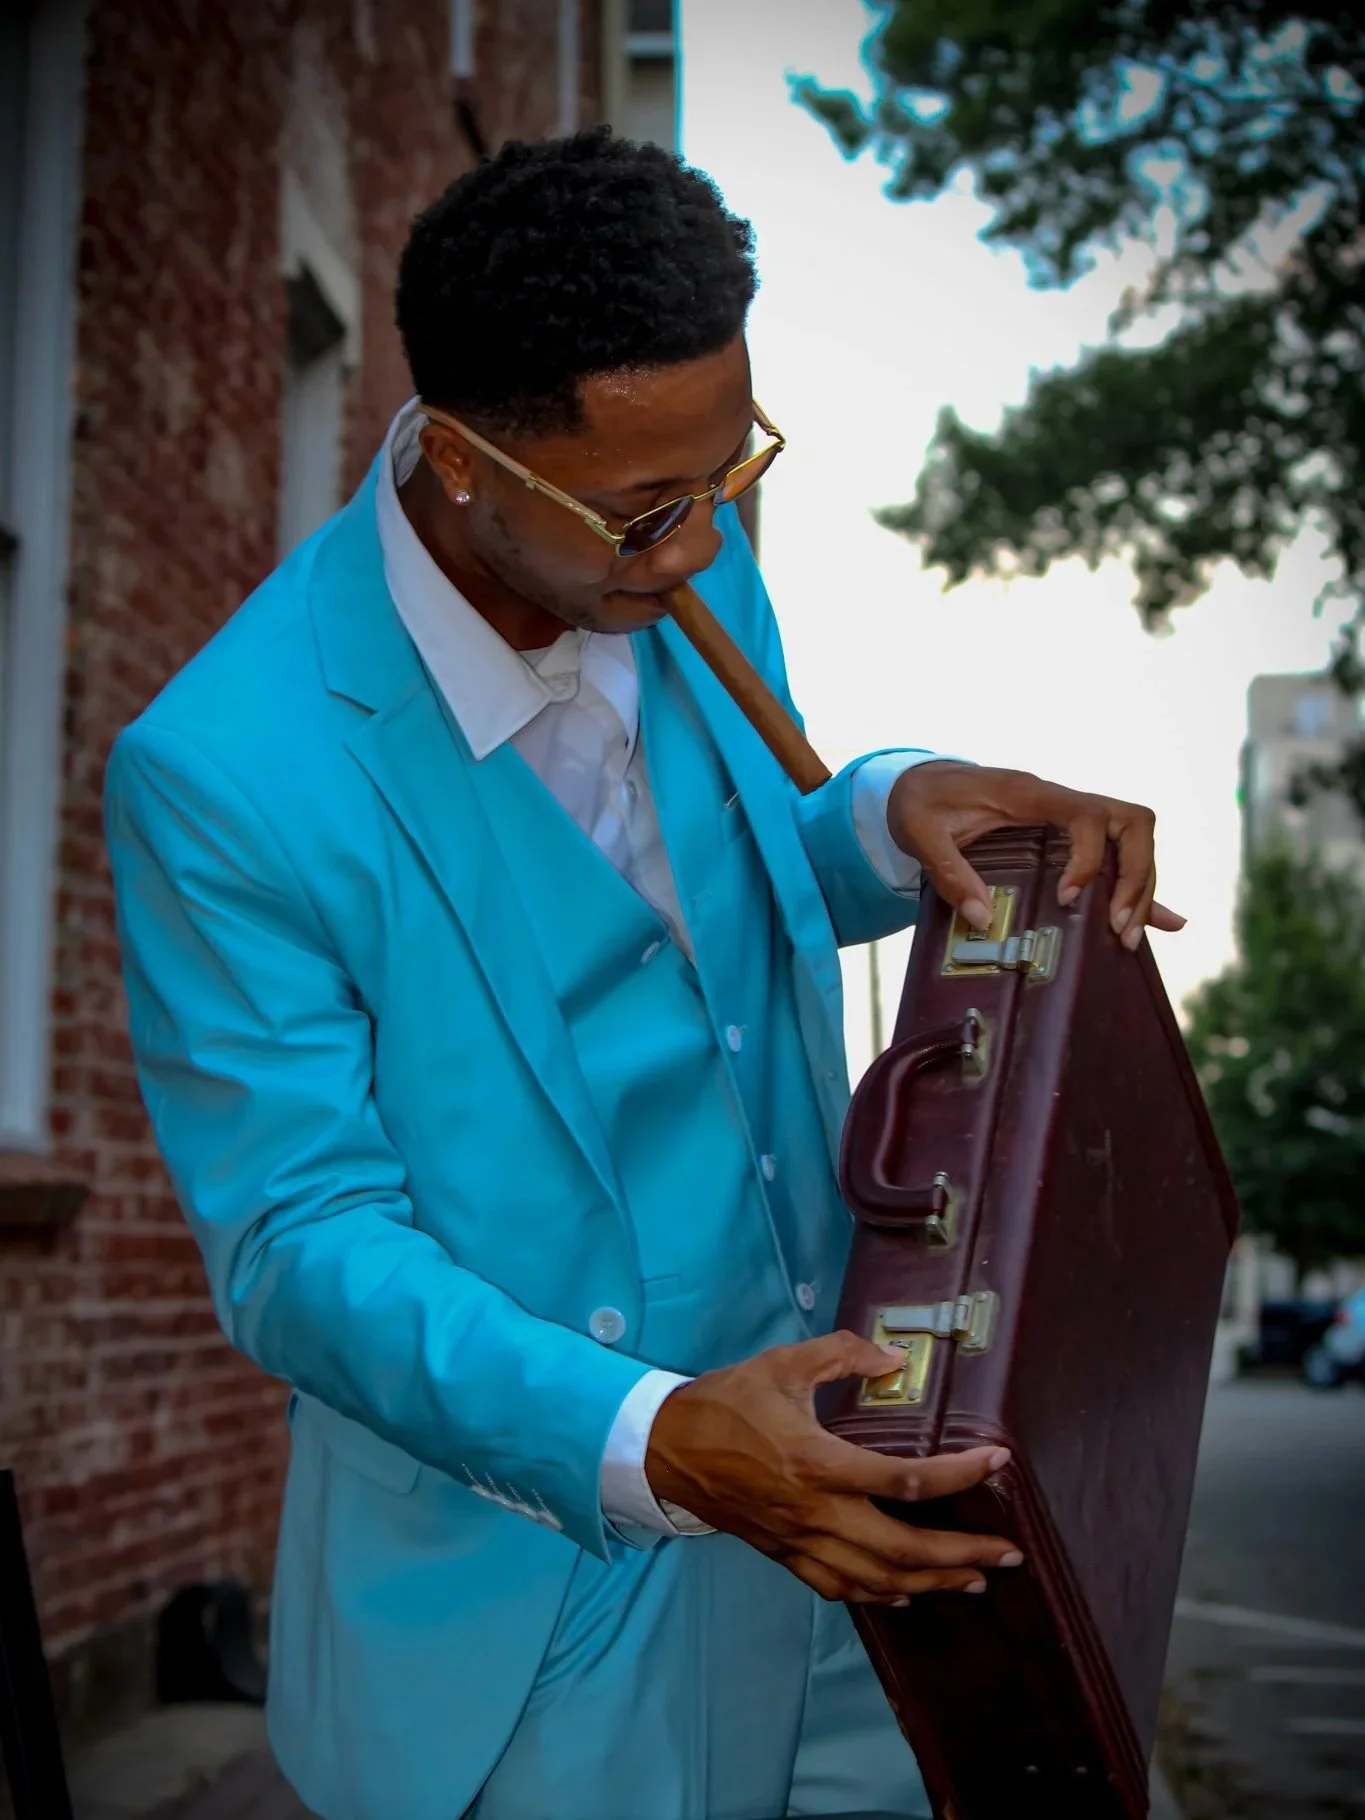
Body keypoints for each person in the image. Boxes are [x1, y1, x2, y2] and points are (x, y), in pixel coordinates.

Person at [105, 131, 1182, 1820]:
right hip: (533, 1611)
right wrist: (660, 1441)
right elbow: (300, 1246)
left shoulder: (678, 540)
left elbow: (738, 900)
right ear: (459, 462)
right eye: (643, 513)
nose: (696, 554)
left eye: (725, 473)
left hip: (856, 1533)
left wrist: (892, 815)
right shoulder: (223, 773)